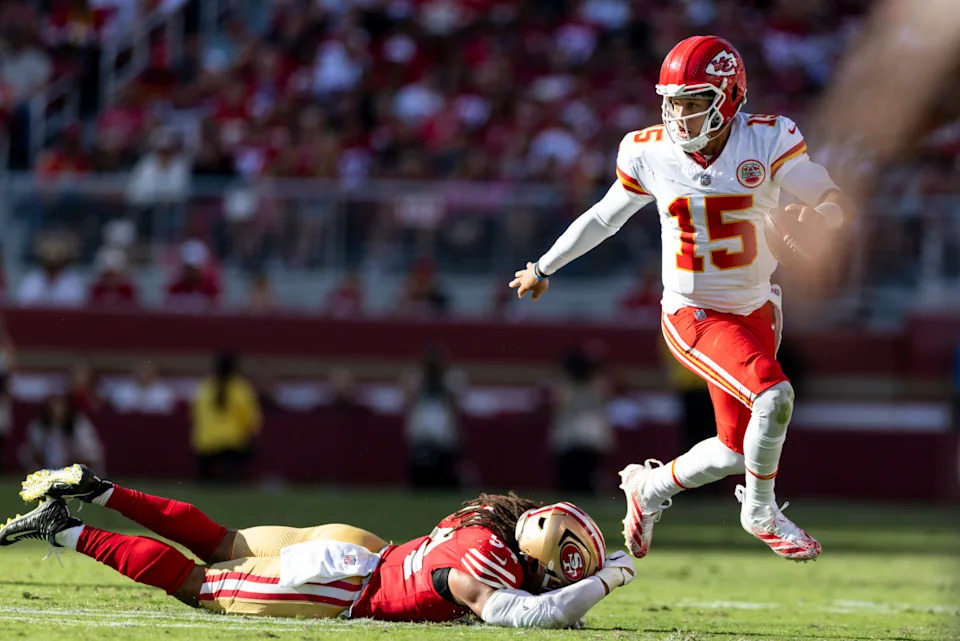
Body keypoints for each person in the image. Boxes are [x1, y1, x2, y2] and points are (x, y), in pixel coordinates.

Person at [509, 36, 857, 562]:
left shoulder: (766, 138)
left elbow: (814, 184)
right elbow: (605, 217)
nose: (680, 114)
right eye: (673, 101)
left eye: (694, 101)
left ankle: (648, 490)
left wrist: (830, 210)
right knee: (775, 397)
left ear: (730, 97)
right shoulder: (648, 150)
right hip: (694, 310)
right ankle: (759, 510)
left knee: (735, 449)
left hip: (756, 306)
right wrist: (543, 266)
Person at [2, 464, 635, 629]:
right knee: (197, 585)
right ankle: (63, 526)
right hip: (339, 582)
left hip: (358, 548)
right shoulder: (486, 565)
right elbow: (533, 613)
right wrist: (614, 577)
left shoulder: (487, 519)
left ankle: (100, 489)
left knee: (221, 539)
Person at [192, 352, 262, 482]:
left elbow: (195, 413)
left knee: (203, 482)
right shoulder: (241, 388)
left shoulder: (205, 386)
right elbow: (250, 417)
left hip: (205, 442)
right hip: (231, 443)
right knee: (229, 481)